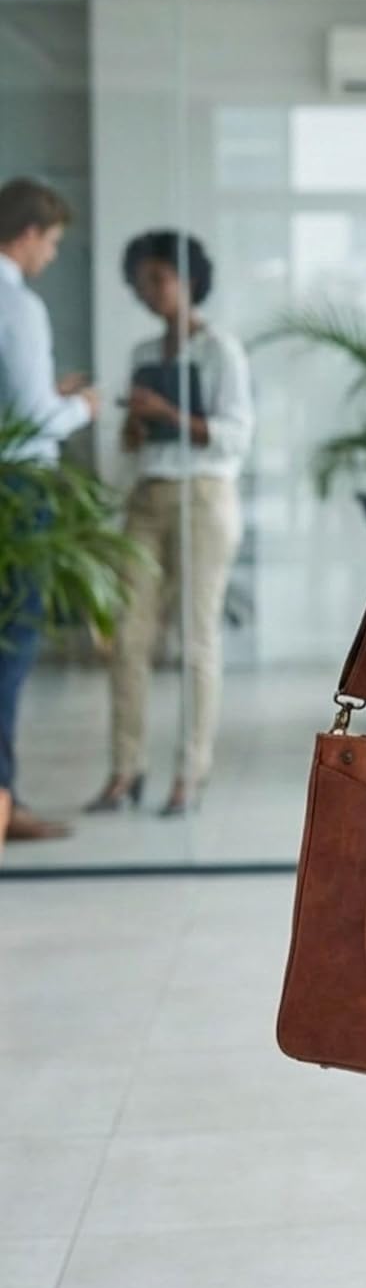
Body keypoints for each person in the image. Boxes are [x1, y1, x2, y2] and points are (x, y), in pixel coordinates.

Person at [85, 231, 253, 819]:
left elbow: (237, 436)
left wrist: (171, 415)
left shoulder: (220, 350)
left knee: (197, 638)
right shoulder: (141, 357)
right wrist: (135, 430)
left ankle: (190, 773)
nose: (149, 290)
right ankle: (124, 770)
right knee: (126, 639)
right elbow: (132, 449)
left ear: (188, 280)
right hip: (148, 495)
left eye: (159, 277)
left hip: (204, 496)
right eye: (142, 280)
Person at [0, 177, 98, 844]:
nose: (52, 256)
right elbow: (35, 416)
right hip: (17, 491)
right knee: (13, 646)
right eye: (53, 242)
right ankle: (5, 804)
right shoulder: (17, 304)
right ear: (29, 233)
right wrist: (80, 408)